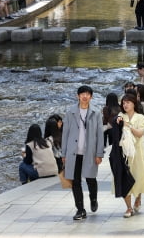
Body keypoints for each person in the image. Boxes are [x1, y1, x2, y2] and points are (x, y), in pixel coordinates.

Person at [61, 85, 104, 221]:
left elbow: (100, 135)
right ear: (78, 96)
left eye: (87, 94)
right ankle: (80, 209)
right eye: (82, 94)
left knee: (91, 179)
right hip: (74, 153)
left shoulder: (96, 113)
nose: (85, 96)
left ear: (91, 96)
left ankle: (93, 198)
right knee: (75, 181)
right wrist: (64, 153)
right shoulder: (70, 112)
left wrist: (99, 153)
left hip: (89, 153)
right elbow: (65, 134)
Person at [118, 94, 144, 217]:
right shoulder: (120, 116)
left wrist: (129, 127)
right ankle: (128, 207)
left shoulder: (140, 117)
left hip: (137, 153)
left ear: (133, 103)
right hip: (123, 153)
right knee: (124, 179)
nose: (125, 105)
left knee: (138, 177)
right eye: (123, 103)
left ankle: (138, 198)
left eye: (128, 102)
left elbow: (140, 134)